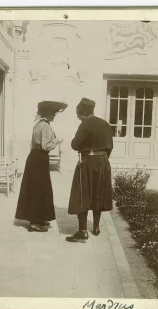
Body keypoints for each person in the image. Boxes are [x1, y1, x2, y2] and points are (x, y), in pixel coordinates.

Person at [15, 100, 67, 232]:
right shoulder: (45, 126)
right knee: (39, 188)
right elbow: (45, 146)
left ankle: (38, 218)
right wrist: (57, 140)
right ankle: (35, 222)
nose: (54, 115)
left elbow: (35, 145)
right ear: (47, 113)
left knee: (37, 188)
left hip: (35, 157)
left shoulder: (38, 124)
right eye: (52, 113)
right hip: (39, 158)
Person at [66, 98, 113, 243]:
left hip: (88, 161)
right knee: (98, 193)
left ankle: (82, 231)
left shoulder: (85, 124)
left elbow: (75, 145)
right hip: (104, 161)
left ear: (84, 113)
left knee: (82, 193)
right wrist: (102, 159)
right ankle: (97, 227)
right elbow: (110, 146)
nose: (77, 117)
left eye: (78, 114)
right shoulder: (105, 124)